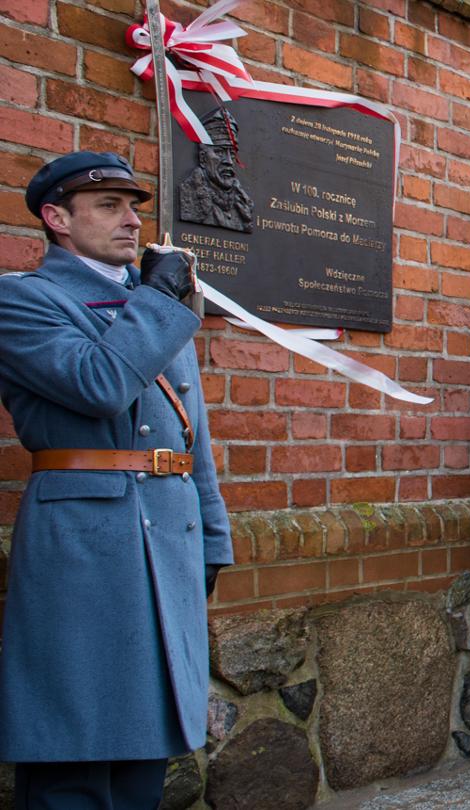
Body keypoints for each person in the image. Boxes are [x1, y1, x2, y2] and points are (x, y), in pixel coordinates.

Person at [0, 152, 234, 805]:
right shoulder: (21, 299)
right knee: (73, 750)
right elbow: (97, 384)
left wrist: (212, 535)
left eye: (134, 206)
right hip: (85, 541)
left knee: (143, 756)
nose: (131, 220)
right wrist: (159, 299)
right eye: (109, 206)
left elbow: (191, 434)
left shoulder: (151, 303)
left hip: (168, 538)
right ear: (57, 218)